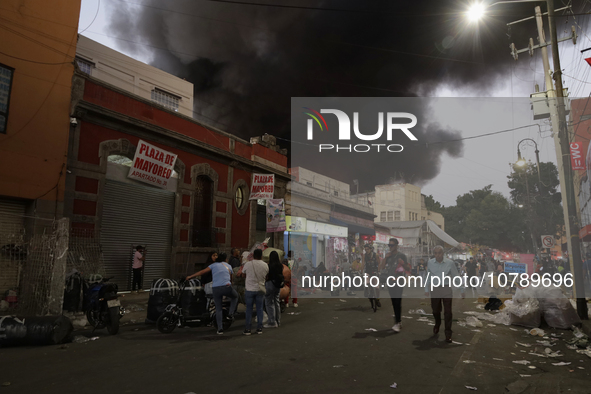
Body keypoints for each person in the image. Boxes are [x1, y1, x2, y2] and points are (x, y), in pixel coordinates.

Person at [186, 253, 238, 335]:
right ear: (225, 259)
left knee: (218, 308)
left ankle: (220, 329)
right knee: (235, 297)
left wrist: (191, 276)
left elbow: (202, 272)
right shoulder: (228, 266)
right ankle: (230, 314)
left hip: (216, 288)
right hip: (226, 287)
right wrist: (230, 284)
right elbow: (231, 279)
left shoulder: (213, 265)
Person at [424, 245, 465, 343]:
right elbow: (428, 276)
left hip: (446, 289)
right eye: (435, 253)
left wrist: (462, 289)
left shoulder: (450, 263)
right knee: (435, 310)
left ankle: (448, 333)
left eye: (439, 253)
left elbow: (456, 276)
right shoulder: (430, 263)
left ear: (443, 253)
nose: (437, 255)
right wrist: (426, 289)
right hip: (435, 289)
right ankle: (437, 323)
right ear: (434, 254)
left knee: (448, 312)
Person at [379, 238, 410, 332]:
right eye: (389, 245)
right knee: (394, 301)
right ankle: (398, 320)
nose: (390, 247)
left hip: (399, 280)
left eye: (392, 245)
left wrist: (402, 263)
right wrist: (385, 258)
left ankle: (398, 322)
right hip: (390, 281)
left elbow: (408, 268)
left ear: (396, 246)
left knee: (397, 301)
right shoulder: (388, 256)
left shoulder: (402, 255)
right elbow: (381, 267)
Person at [239, 248, 268, 335]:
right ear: (261, 256)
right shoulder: (265, 265)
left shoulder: (248, 264)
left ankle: (248, 329)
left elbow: (243, 274)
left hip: (249, 289)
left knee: (249, 309)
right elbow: (266, 276)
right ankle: (259, 328)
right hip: (260, 290)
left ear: (253, 255)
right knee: (259, 309)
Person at [264, 251, 284, 328]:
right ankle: (278, 321)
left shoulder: (269, 266)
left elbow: (267, 276)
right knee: (277, 302)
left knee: (269, 303)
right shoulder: (280, 265)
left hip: (270, 284)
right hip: (278, 285)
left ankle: (272, 322)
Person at [361, 243, 381, 312]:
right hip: (367, 271)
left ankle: (377, 299)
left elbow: (379, 263)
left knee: (377, 287)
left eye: (368, 249)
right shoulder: (364, 256)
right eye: (365, 249)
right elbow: (363, 263)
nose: (366, 251)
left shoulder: (376, 255)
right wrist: (361, 271)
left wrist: (378, 270)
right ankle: (368, 294)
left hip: (374, 271)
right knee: (366, 284)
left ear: (371, 249)